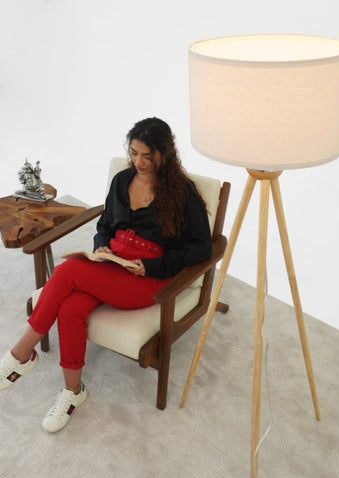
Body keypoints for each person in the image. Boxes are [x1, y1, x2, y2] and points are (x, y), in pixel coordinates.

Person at [0, 117, 212, 433]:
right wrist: (101, 247)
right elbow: (104, 226)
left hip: (147, 277)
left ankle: (21, 353)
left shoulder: (182, 194)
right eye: (134, 153)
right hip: (111, 264)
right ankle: (73, 392)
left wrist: (153, 267)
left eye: (147, 155)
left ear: (164, 154)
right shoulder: (122, 180)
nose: (139, 162)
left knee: (68, 271)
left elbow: (202, 248)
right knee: (71, 307)